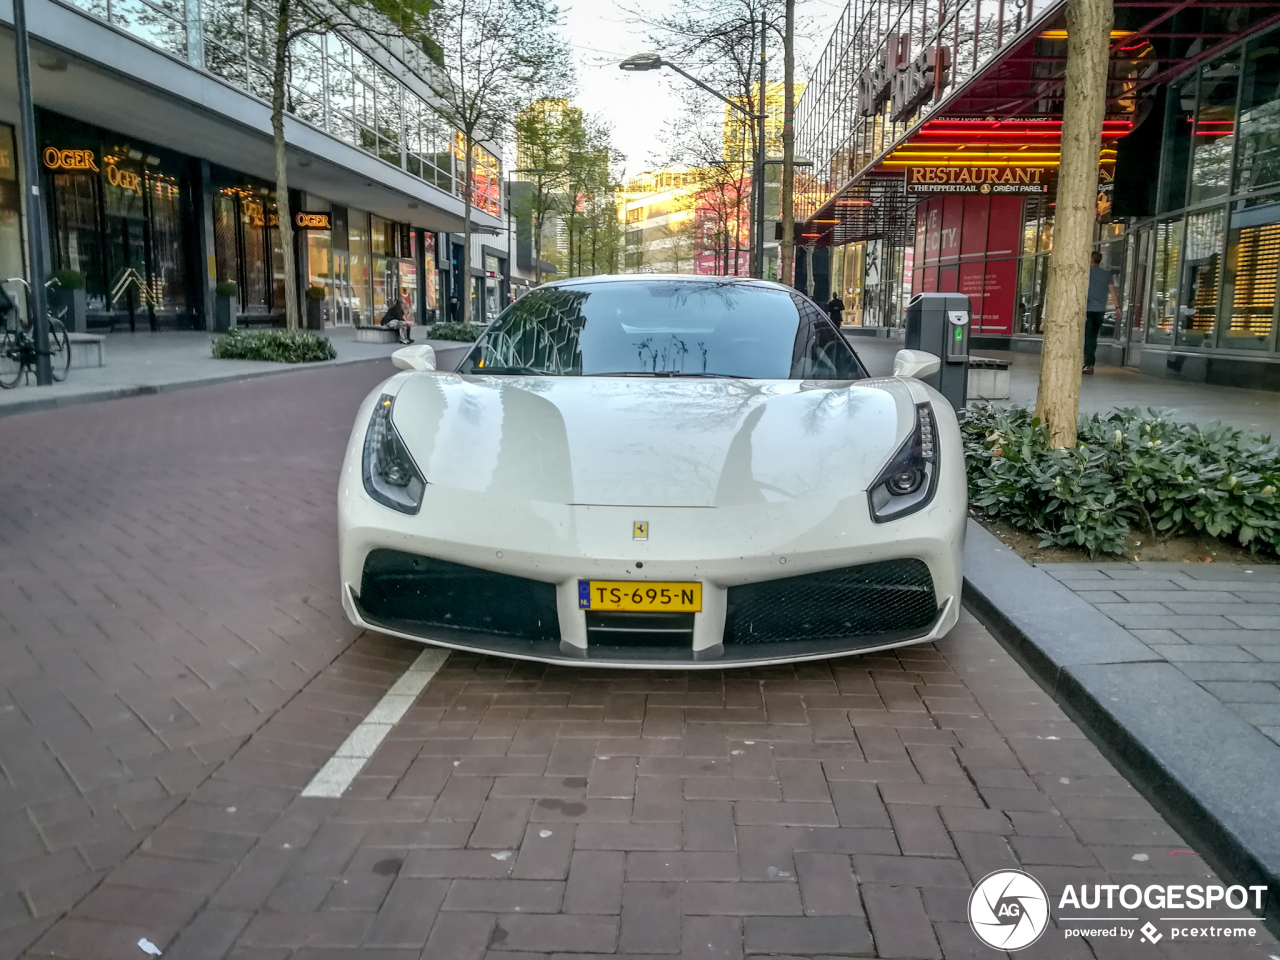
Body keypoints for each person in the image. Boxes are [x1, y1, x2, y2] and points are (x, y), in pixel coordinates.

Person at [1083, 252, 1121, 375]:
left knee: (1087, 337)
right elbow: (1113, 292)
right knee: (1093, 337)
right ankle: (1089, 363)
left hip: (1087, 310)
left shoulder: (1085, 273)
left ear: (1091, 259)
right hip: (1100, 310)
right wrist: (1117, 307)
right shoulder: (1106, 275)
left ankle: (1089, 364)